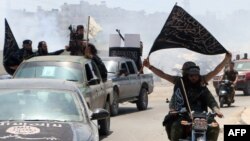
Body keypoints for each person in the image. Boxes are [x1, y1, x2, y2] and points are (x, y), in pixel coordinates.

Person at [143, 53, 232, 141]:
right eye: (191, 75)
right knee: (175, 126)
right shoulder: (179, 82)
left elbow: (211, 98)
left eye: (196, 75)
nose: (194, 77)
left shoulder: (202, 83)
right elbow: (163, 75)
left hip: (201, 116)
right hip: (183, 114)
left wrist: (216, 110)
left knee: (214, 127)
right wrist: (150, 66)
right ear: (185, 73)